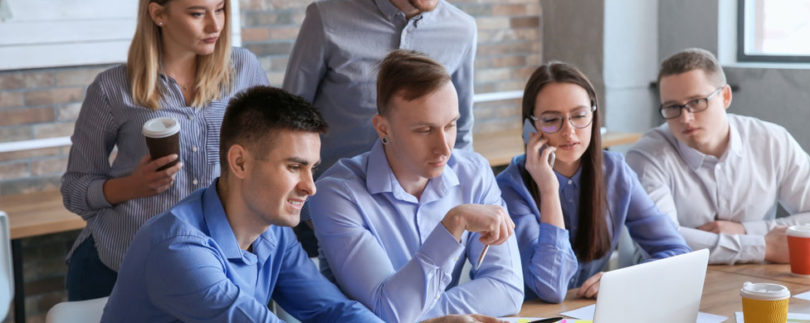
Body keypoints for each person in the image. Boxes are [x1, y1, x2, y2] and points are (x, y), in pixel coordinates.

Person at [101, 86, 508, 323]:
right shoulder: (178, 248)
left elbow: (333, 311)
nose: (310, 187)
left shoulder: (272, 234)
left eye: (312, 168)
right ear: (239, 161)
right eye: (294, 167)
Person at [61, 0, 268, 300]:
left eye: (220, 9)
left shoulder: (245, 69)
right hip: (120, 266)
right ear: (158, 13)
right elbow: (74, 189)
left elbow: (270, 156)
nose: (215, 25)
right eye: (198, 13)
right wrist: (131, 186)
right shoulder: (111, 88)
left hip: (218, 265)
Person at [308, 50, 523, 323]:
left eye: (451, 125)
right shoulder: (336, 195)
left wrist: (427, 317)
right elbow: (388, 311)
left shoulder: (474, 172)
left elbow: (508, 289)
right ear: (383, 129)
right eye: (424, 130)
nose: (445, 147)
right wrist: (454, 223)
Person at [495, 62, 691, 303]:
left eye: (579, 115)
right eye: (551, 119)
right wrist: (548, 190)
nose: (569, 131)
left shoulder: (615, 171)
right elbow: (551, 288)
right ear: (530, 127)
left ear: (594, 114)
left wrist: (623, 280)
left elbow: (678, 253)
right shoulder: (510, 188)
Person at [625, 48, 810, 265]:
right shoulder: (647, 156)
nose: (686, 118)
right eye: (673, 107)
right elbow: (663, 242)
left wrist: (745, 230)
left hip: (754, 278)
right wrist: (762, 246)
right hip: (671, 282)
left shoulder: (772, 141)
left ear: (725, 97)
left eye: (697, 102)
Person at [283, 0, 476, 178]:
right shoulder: (326, 18)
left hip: (421, 200)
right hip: (332, 189)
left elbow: (461, 130)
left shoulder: (462, 30)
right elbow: (291, 118)